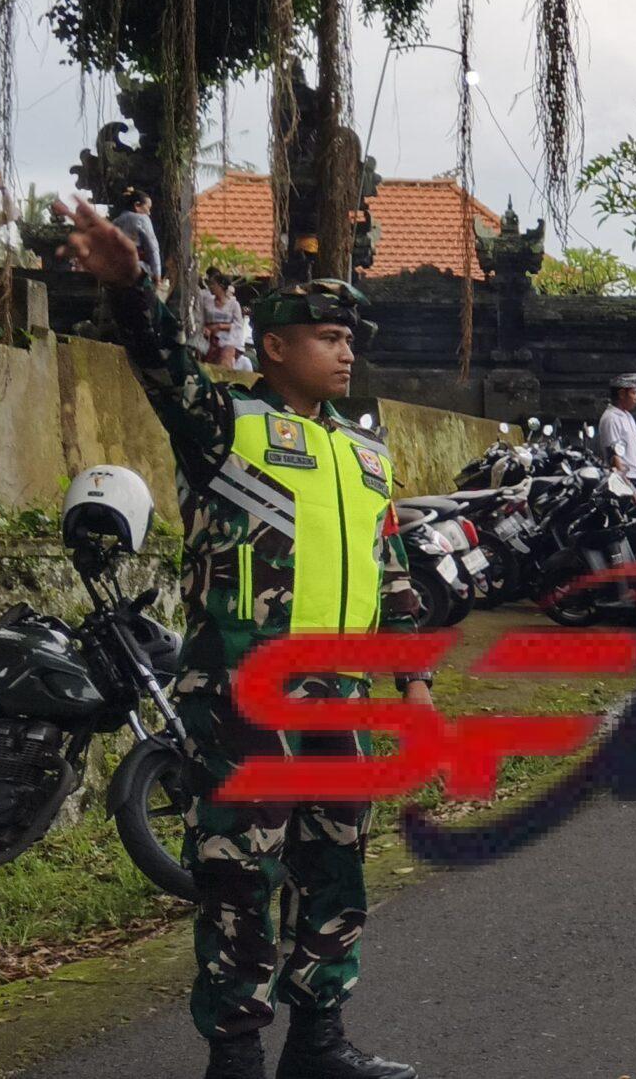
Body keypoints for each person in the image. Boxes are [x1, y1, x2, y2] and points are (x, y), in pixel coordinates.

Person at [54, 198, 419, 1079]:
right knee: (239, 872)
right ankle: (237, 1052)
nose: (346, 351)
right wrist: (131, 288)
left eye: (350, 337)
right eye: (328, 336)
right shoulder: (225, 427)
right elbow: (162, 363)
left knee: (336, 863)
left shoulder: (365, 452)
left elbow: (391, 564)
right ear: (276, 347)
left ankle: (319, 1041)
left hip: (341, 692)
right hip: (243, 690)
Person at [597, 373, 636, 494]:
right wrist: (628, 489)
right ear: (621, 394)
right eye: (633, 393)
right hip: (629, 480)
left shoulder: (628, 416)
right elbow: (614, 457)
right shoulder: (611, 418)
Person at [197, 268, 250, 369]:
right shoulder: (207, 302)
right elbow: (201, 320)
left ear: (220, 286)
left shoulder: (233, 304)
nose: (210, 287)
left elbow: (238, 326)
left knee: (224, 362)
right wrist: (204, 329)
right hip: (210, 340)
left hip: (227, 341)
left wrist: (220, 326)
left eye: (213, 284)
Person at [111, 188, 162, 286]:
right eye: (148, 208)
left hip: (116, 272)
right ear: (137, 205)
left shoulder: (115, 222)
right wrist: (157, 275)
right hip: (137, 270)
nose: (149, 213)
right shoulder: (142, 219)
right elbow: (153, 248)